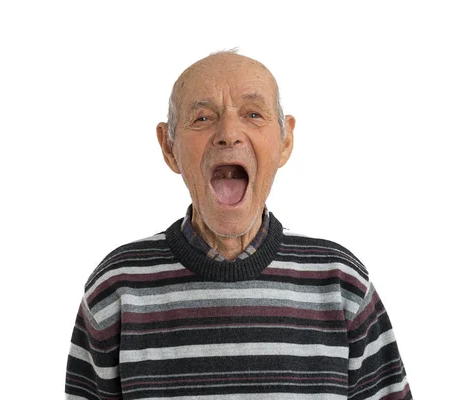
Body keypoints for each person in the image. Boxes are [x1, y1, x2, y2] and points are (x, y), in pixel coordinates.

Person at [65, 50, 411, 399]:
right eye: (202, 118)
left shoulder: (342, 285)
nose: (228, 133)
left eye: (253, 114)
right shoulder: (115, 290)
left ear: (285, 141)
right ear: (170, 148)